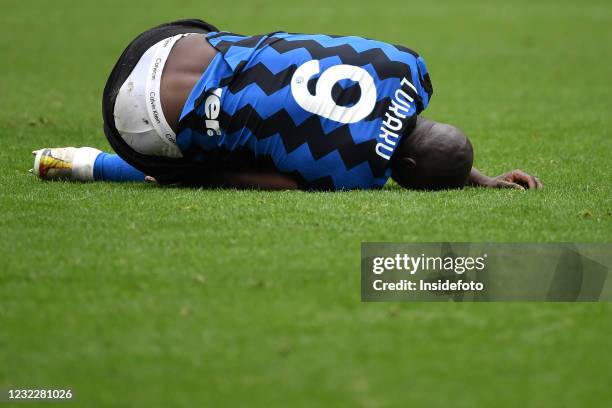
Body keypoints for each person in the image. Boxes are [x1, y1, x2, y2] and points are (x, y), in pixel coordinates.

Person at [31, 19, 542, 191]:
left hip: (165, 42)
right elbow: (256, 180)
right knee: (215, 162)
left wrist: (474, 173)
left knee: (257, 55)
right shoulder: (354, 173)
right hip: (138, 119)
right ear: (404, 170)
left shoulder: (409, 66)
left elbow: (413, 134)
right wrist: (185, 176)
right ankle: (82, 164)